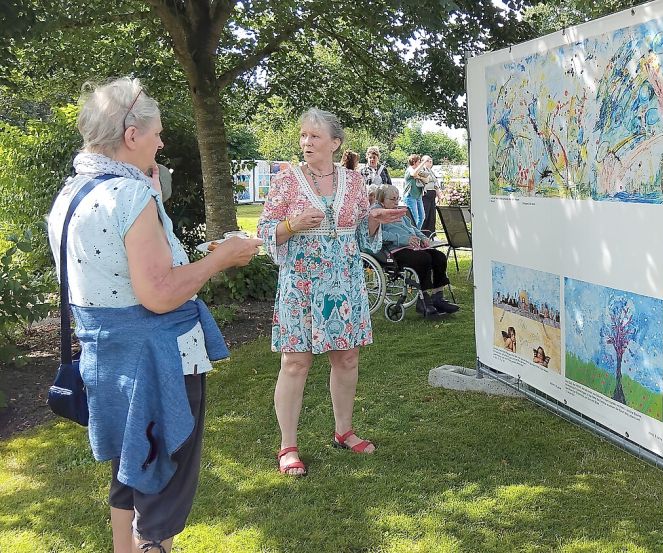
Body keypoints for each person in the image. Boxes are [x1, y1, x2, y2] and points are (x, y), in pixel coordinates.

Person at [47, 77, 261, 553]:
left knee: (131, 464)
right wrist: (220, 260)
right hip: (156, 360)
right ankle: (153, 546)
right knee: (163, 482)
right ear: (130, 136)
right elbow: (159, 294)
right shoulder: (129, 196)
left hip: (107, 360)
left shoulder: (71, 194)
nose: (161, 142)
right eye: (157, 133)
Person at [257, 109, 405, 475]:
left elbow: (357, 233)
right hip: (302, 283)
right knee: (295, 362)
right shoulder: (287, 181)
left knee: (347, 359)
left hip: (344, 281)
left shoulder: (354, 182)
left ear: (335, 144)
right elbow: (264, 230)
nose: (306, 142)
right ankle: (287, 446)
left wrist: (373, 218)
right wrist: (291, 225)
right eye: (304, 136)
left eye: (314, 137)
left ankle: (344, 432)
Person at [375, 184, 459, 317]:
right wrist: (404, 239)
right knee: (423, 259)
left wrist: (423, 238)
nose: (396, 202)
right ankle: (424, 300)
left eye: (397, 198)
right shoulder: (378, 215)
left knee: (439, 257)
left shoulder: (399, 213)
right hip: (394, 251)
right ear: (382, 201)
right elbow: (380, 236)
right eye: (392, 199)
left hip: (413, 246)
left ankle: (438, 297)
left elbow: (413, 229)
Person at [419, 155, 441, 237]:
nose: (430, 163)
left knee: (432, 216)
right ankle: (423, 234)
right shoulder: (421, 169)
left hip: (432, 195)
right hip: (425, 195)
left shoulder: (431, 171)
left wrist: (439, 195)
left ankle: (431, 234)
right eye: (428, 161)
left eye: (431, 161)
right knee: (425, 215)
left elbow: (436, 184)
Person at [403, 154, 426, 228]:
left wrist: (419, 177)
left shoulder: (418, 171)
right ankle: (412, 235)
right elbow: (413, 173)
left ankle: (417, 234)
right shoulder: (409, 170)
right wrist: (423, 162)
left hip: (418, 196)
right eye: (419, 162)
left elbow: (427, 179)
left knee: (422, 217)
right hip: (410, 196)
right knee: (414, 218)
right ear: (414, 162)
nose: (420, 164)